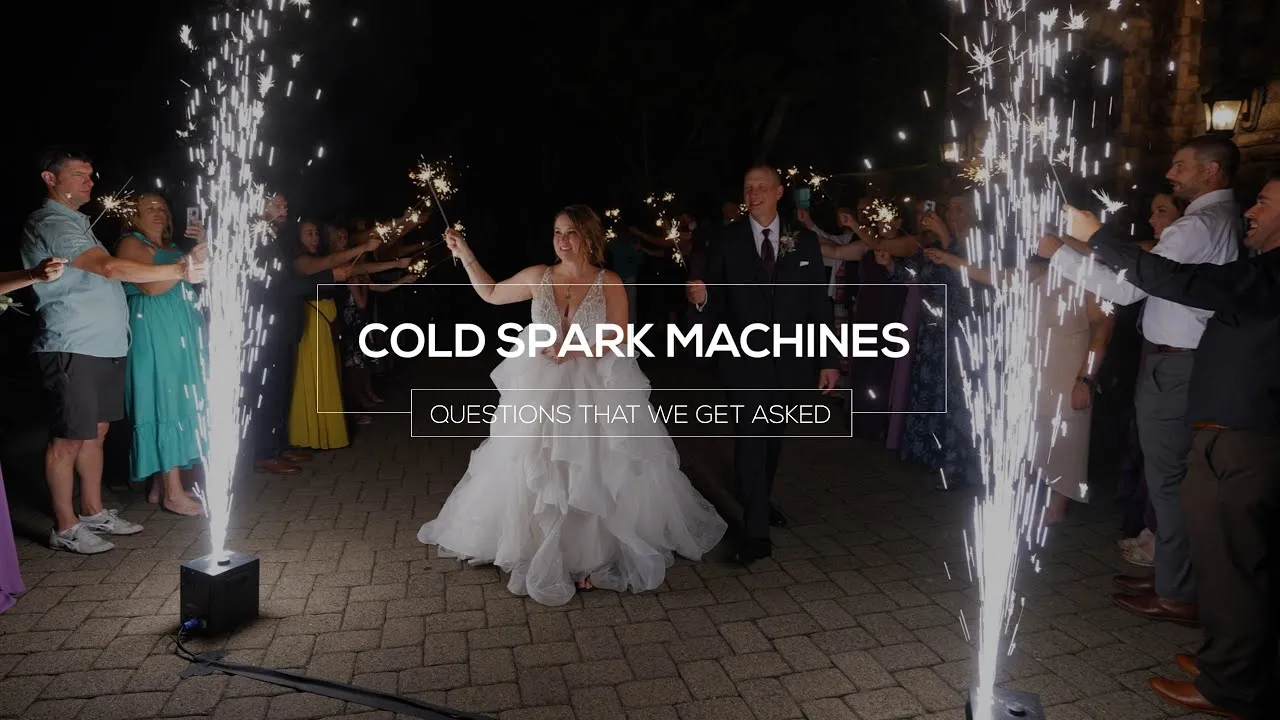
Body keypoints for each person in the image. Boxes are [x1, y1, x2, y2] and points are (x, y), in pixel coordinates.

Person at [418, 206, 726, 606]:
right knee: (538, 463)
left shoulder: (608, 281)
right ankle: (536, 545)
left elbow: (618, 337)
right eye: (557, 232)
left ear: (589, 238)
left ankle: (588, 555)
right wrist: (466, 254)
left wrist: (573, 346)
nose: (562, 241)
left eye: (571, 233)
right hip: (541, 385)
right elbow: (491, 294)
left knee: (592, 465)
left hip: (592, 386)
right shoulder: (539, 276)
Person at [1068, 171, 1280, 719]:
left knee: (1236, 567)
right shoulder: (1260, 270)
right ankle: (1227, 660)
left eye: (1262, 202)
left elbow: (1186, 283)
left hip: (1246, 437)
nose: (1249, 212)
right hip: (1226, 432)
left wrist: (1100, 241)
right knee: (1220, 557)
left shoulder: (1274, 274)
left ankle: (1232, 687)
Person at [1039, 134, 1242, 623]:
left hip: (1178, 363)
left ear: (1210, 171)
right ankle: (1172, 576)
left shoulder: (1199, 225)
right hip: (1180, 359)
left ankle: (1175, 590)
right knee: (1168, 478)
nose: (1171, 174)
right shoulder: (1213, 221)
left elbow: (1127, 291)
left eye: (1180, 165)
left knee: (1168, 480)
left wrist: (1059, 253)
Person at [20, 148, 205, 554]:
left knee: (97, 433)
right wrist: (178, 269)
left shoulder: (80, 224)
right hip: (72, 343)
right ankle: (65, 527)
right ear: (50, 179)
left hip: (104, 345)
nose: (89, 182)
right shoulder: (51, 222)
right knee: (68, 437)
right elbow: (108, 269)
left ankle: (92, 511)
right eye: (78, 175)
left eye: (90, 174)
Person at [685, 165, 838, 563]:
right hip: (741, 358)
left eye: (761, 188)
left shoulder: (803, 241)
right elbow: (712, 297)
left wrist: (828, 360)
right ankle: (755, 534)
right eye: (748, 187)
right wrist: (701, 301)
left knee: (772, 438)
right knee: (752, 437)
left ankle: (761, 499)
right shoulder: (725, 240)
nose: (753, 194)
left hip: (790, 359)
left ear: (778, 192)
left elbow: (817, 304)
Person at [115, 193, 208, 516]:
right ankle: (172, 492)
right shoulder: (130, 243)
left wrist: (200, 250)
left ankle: (159, 486)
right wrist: (189, 263)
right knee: (164, 402)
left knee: (179, 402)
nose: (158, 212)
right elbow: (151, 288)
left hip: (180, 333)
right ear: (133, 216)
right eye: (149, 208)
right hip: (154, 333)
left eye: (162, 208)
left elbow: (188, 283)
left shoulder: (172, 250)